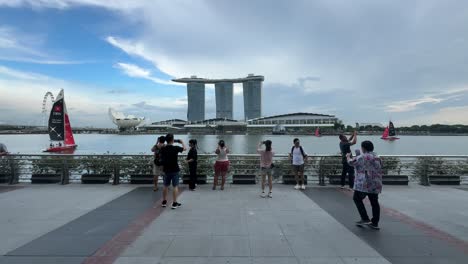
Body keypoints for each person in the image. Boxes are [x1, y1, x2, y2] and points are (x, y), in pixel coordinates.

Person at [347, 140, 383, 230]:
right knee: (374, 202)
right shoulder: (377, 156)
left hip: (364, 183)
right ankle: (375, 223)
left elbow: (351, 163)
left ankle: (365, 218)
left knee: (357, 198)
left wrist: (348, 157)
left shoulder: (362, 156)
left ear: (363, 148)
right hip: (376, 183)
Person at [160, 133, 186, 209]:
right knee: (175, 186)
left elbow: (161, 146)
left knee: (165, 185)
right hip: (175, 169)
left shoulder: (163, 148)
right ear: (172, 140)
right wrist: (182, 142)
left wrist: (169, 141)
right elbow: (184, 149)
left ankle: (164, 201)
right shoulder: (176, 148)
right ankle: (174, 203)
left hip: (166, 170)